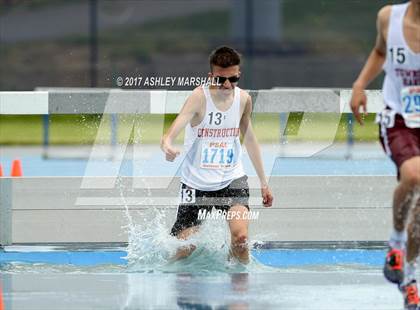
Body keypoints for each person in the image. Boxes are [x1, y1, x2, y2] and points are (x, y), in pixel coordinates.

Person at [161, 46, 273, 264]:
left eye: (234, 78)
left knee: (241, 238)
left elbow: (249, 140)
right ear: (211, 76)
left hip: (232, 179)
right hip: (196, 185)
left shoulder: (244, 99)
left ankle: (240, 291)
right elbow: (173, 129)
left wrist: (264, 182)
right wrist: (167, 144)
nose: (228, 85)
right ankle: (167, 274)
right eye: (221, 80)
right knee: (185, 249)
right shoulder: (198, 97)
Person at [350, 1, 420, 308]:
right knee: (415, 175)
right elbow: (380, 52)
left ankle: (411, 275)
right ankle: (395, 240)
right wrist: (360, 84)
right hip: (399, 119)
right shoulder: (388, 17)